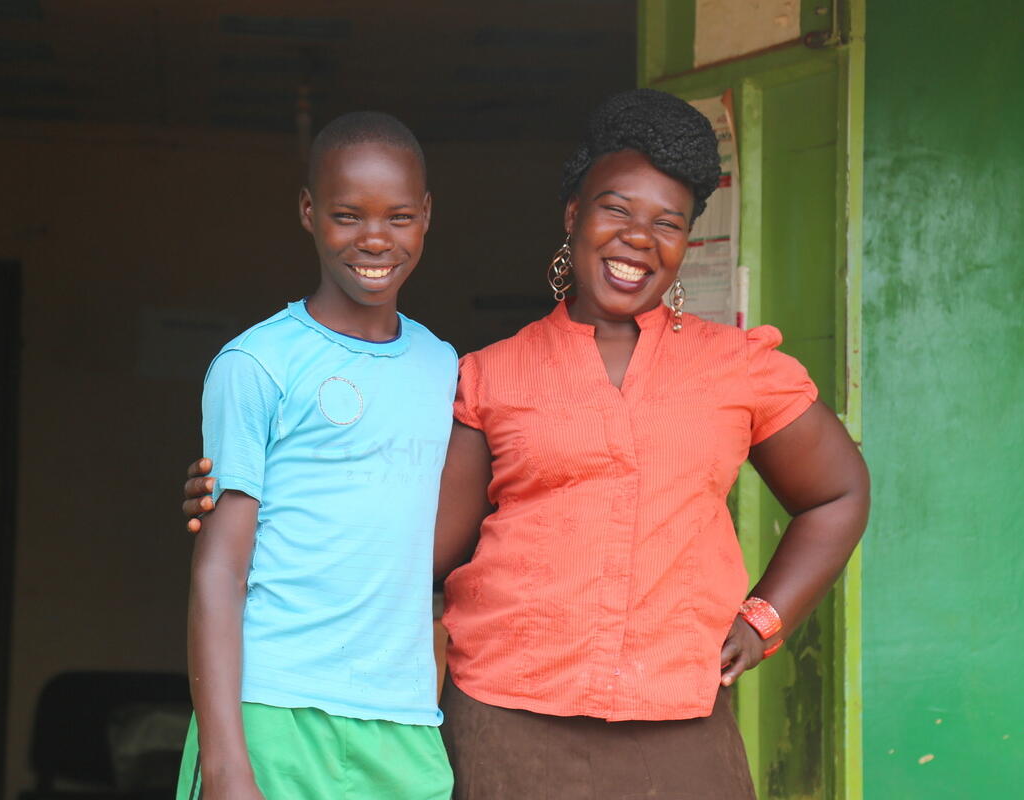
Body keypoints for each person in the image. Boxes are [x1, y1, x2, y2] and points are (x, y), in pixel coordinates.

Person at [185, 89, 869, 799]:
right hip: (505, 725)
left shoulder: (738, 368)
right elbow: (414, 538)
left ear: (686, 245)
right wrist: (249, 488)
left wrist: (763, 620)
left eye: (667, 223)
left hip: (681, 726)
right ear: (574, 217)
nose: (638, 237)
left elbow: (839, 492)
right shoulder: (486, 375)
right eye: (615, 209)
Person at [177, 111, 455, 800]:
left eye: (397, 217)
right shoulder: (257, 364)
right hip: (275, 710)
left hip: (404, 724)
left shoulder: (444, 367)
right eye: (346, 215)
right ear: (308, 212)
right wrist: (224, 765)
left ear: (426, 217)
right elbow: (219, 571)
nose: (374, 239)